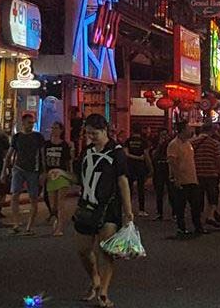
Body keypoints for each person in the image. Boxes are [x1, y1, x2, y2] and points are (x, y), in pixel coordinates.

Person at [75, 114, 133, 308]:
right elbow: (79, 178)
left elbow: (122, 181)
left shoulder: (116, 152)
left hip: (108, 208)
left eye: (95, 133)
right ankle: (94, 279)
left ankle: (103, 292)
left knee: (105, 250)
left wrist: (128, 211)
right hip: (86, 206)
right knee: (83, 250)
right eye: (88, 133)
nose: (91, 136)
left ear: (105, 130)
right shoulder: (87, 151)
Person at [5, 113, 47, 235]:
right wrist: (5, 169)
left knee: (33, 197)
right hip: (18, 168)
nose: (31, 125)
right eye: (29, 122)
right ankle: (16, 223)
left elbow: (42, 155)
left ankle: (29, 226)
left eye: (32, 123)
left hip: (33, 169)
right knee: (14, 195)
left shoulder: (38, 137)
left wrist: (43, 171)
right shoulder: (17, 137)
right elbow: (10, 153)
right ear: (22, 123)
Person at [167, 122, 205, 235]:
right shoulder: (174, 144)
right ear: (183, 130)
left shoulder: (188, 143)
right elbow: (172, 163)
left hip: (191, 179)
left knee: (196, 205)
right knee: (180, 206)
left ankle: (198, 226)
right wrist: (177, 178)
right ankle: (181, 228)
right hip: (182, 180)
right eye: (189, 128)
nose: (191, 130)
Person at [192, 123, 220, 228]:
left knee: (198, 198)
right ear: (212, 131)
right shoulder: (214, 143)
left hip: (197, 174)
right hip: (211, 174)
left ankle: (200, 219)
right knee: (213, 197)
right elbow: (218, 161)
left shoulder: (193, 142)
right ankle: (210, 216)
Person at [44, 121, 75, 236]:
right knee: (53, 205)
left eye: (56, 128)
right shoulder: (46, 144)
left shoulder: (64, 145)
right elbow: (43, 159)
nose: (54, 130)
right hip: (50, 174)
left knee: (61, 202)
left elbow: (68, 161)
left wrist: (70, 174)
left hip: (61, 174)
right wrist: (43, 173)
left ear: (61, 130)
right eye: (52, 127)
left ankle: (59, 228)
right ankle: (57, 220)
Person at [123, 127, 151, 218]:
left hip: (130, 166)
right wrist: (150, 167)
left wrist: (132, 156)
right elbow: (146, 155)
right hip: (140, 167)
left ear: (132, 131)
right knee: (141, 188)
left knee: (129, 189)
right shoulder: (144, 141)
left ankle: (128, 209)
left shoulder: (128, 141)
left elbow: (126, 154)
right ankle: (141, 210)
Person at [151, 129, 176, 220]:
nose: (164, 137)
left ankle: (174, 212)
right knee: (159, 191)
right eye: (162, 135)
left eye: (166, 134)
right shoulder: (156, 143)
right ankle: (159, 212)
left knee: (172, 191)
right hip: (159, 168)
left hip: (168, 168)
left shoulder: (171, 143)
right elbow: (153, 155)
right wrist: (159, 145)